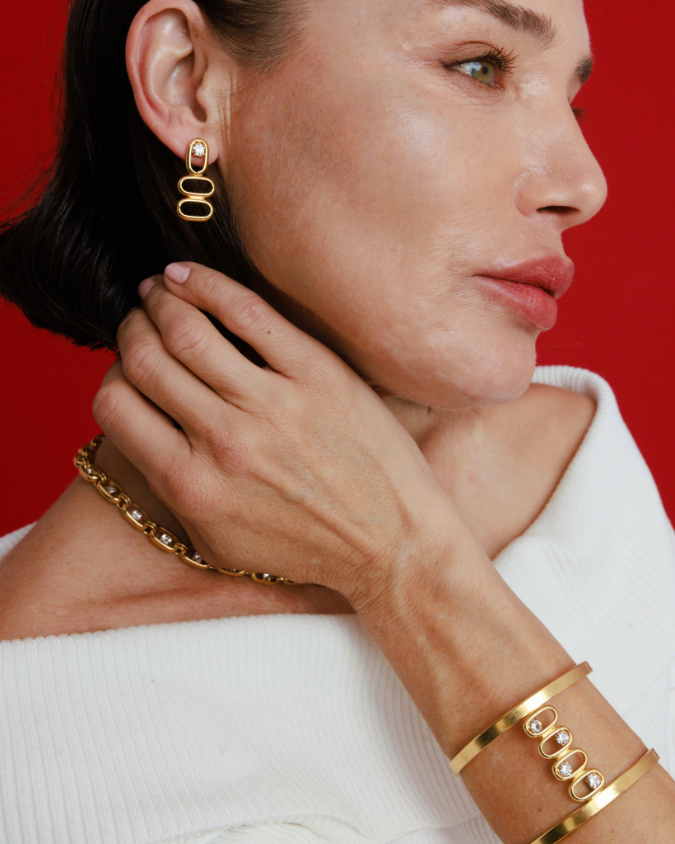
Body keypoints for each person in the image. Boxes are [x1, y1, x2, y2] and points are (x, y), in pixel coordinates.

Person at [0, 0, 674, 842]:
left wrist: (409, 569)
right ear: (189, 86)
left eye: (568, 102)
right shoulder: (28, 732)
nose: (583, 185)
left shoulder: (581, 467)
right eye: (478, 67)